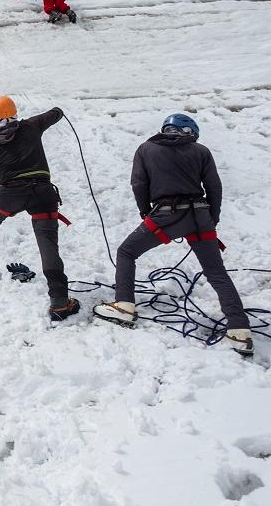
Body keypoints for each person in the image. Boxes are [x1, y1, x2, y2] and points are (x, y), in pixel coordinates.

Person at [94, 114, 253, 356]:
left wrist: (146, 212)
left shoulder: (146, 148)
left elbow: (139, 184)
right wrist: (212, 219)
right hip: (200, 217)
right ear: (189, 132)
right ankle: (240, 331)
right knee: (216, 272)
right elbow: (214, 187)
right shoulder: (200, 151)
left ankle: (124, 305)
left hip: (166, 216)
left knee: (126, 252)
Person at [0, 96, 79, 321]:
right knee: (47, 243)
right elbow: (55, 113)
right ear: (15, 112)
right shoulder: (31, 125)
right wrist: (57, 110)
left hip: (10, 195)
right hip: (43, 193)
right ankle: (59, 302)